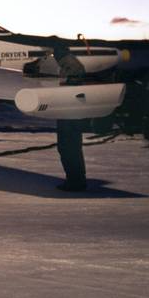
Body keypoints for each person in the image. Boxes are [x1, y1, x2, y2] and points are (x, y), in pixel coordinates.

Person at [54, 46, 88, 191]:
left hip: (68, 113)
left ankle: (75, 182)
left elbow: (68, 87)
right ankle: (76, 180)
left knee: (68, 147)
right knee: (71, 147)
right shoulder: (71, 64)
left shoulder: (69, 66)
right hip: (70, 113)